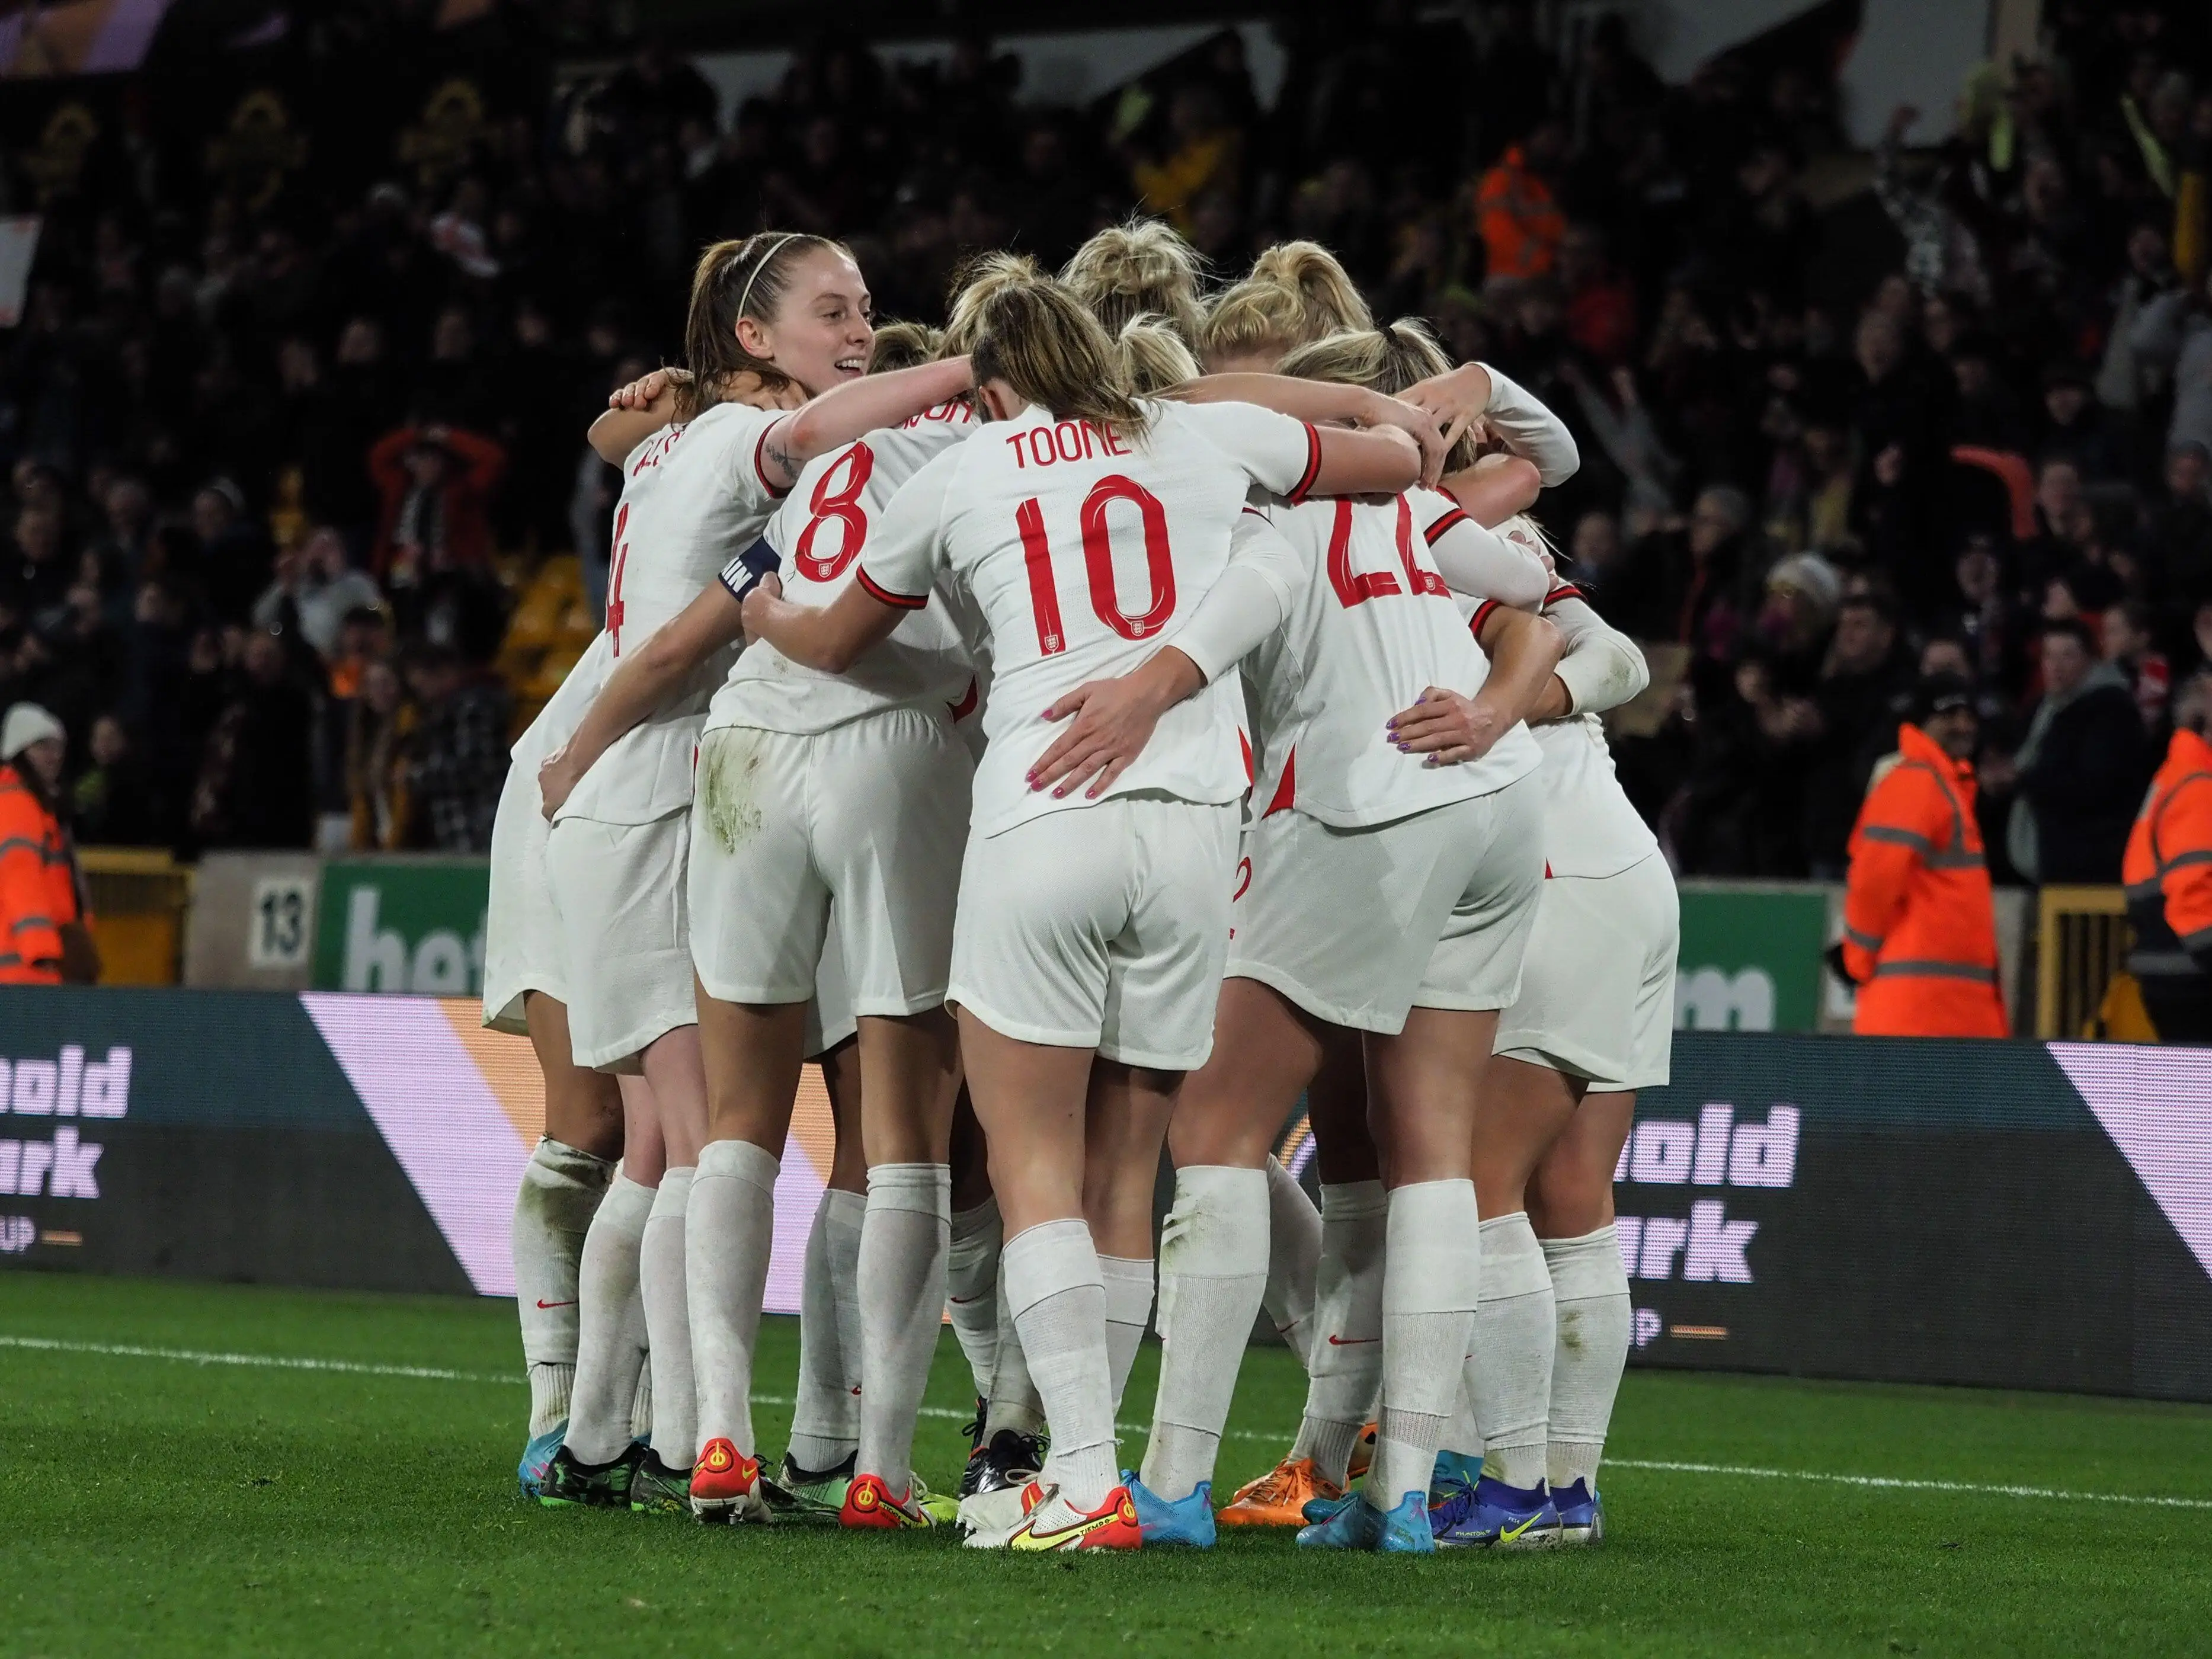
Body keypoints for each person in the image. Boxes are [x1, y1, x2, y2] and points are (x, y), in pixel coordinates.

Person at [740, 267, 1423, 1551]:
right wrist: (1236, 391)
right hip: (1190, 834)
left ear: (992, 383)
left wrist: (758, 603)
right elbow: (1395, 453)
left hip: (1045, 810)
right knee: (1126, 1162)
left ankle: (1085, 1478)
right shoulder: (1202, 431)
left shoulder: (966, 467)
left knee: (1033, 1160)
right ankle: (1076, 1473)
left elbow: (834, 640)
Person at [1024, 320, 1555, 1554]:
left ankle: (1168, 1481)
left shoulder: (1236, 508)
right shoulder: (1411, 507)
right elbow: (1536, 592)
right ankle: (1403, 1495)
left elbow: (1188, 405)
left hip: (1364, 799)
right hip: (1494, 799)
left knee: (1212, 1126)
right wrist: (1487, 705)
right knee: (1434, 1151)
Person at [531, 231, 977, 1519]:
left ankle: (677, 1433)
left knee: (687, 1135)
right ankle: (679, 1434)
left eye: (865, 311)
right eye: (829, 311)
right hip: (667, 771)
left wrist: (639, 405)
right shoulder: (755, 441)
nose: (855, 330)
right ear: (751, 339)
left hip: (709, 771)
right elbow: (686, 632)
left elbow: (631, 450)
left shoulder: (680, 437)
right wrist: (972, 367)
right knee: (704, 1134)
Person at [1447, 543, 1668, 1549]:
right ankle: (1566, 1490)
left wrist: (1504, 706)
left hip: (1551, 874)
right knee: (1569, 1194)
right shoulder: (1490, 553)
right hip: (1621, 866)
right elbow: (1614, 660)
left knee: (1475, 1185)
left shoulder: (1438, 553)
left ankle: (1514, 1483)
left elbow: (1617, 657)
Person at [1835, 675, 2007, 1038]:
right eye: (1949, 714)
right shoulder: (1916, 781)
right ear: (1923, 724)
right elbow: (1874, 882)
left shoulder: (1943, 786)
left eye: (1968, 714)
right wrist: (1858, 961)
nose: (1963, 725)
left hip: (1945, 1012)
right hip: (1921, 1015)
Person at [2009, 619, 2155, 884]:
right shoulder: (2042, 708)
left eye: (2068, 655)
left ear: (2090, 660)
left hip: (2090, 866)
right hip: (2049, 859)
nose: (2056, 666)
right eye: (2049, 655)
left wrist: (2024, 780)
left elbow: (2097, 786)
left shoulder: (2111, 709)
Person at [2123, 669, 2212, 1042]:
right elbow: (2195, 896)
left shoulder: (2173, 778)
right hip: (2194, 978)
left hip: (2169, 973)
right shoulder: (2199, 787)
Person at [0, 703, 97, 985]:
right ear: (18, 751)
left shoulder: (37, 806)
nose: (53, 756)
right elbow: (20, 876)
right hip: (26, 969)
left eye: (58, 747)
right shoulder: (17, 804)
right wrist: (43, 951)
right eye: (42, 746)